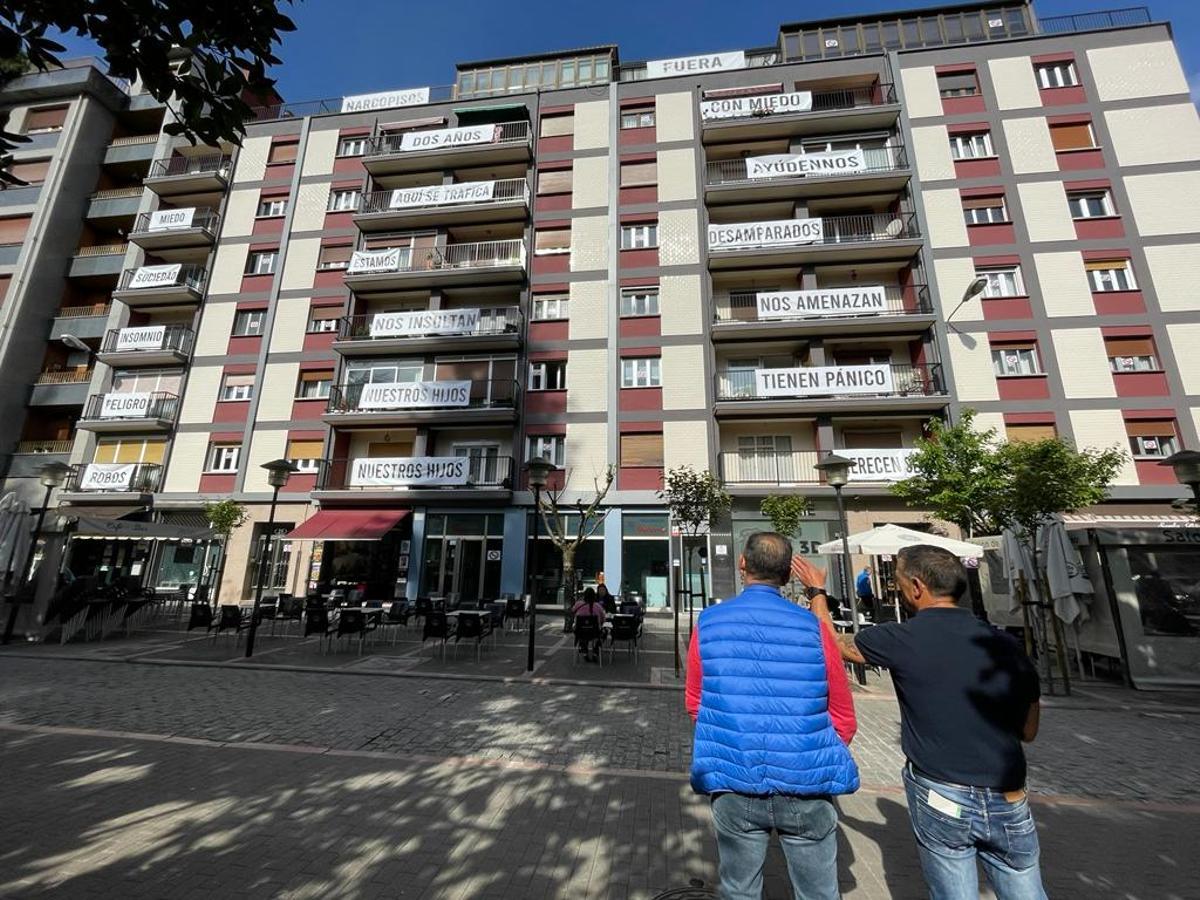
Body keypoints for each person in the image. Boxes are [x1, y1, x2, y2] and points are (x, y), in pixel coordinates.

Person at [793, 546, 1046, 900]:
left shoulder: (901, 638)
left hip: (942, 791)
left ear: (916, 587)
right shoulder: (1006, 645)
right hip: (1009, 793)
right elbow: (1029, 730)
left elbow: (832, 643)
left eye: (896, 581)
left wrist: (817, 592)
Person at [687, 532, 858, 900]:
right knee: (819, 893)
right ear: (787, 575)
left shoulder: (709, 622)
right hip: (807, 785)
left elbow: (694, 703)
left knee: (738, 890)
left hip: (734, 780)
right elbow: (844, 714)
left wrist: (729, 742)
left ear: (742, 564)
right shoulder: (814, 628)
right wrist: (814, 752)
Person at [571, 586, 605, 661]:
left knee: (582, 632)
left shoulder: (578, 604)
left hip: (580, 632)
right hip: (595, 633)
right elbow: (603, 619)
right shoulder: (598, 606)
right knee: (604, 632)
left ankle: (584, 651)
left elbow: (572, 611)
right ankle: (595, 652)